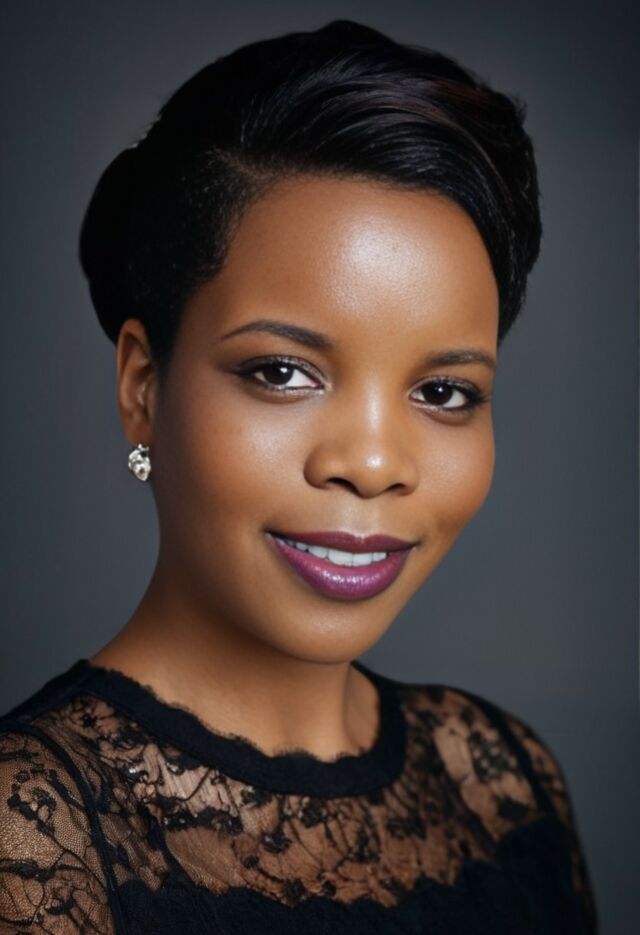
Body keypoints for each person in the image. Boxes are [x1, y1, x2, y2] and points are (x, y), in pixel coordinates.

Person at [0, 18, 598, 934]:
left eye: (443, 391)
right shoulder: (35, 837)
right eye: (282, 372)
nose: (371, 463)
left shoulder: (504, 782)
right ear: (143, 387)